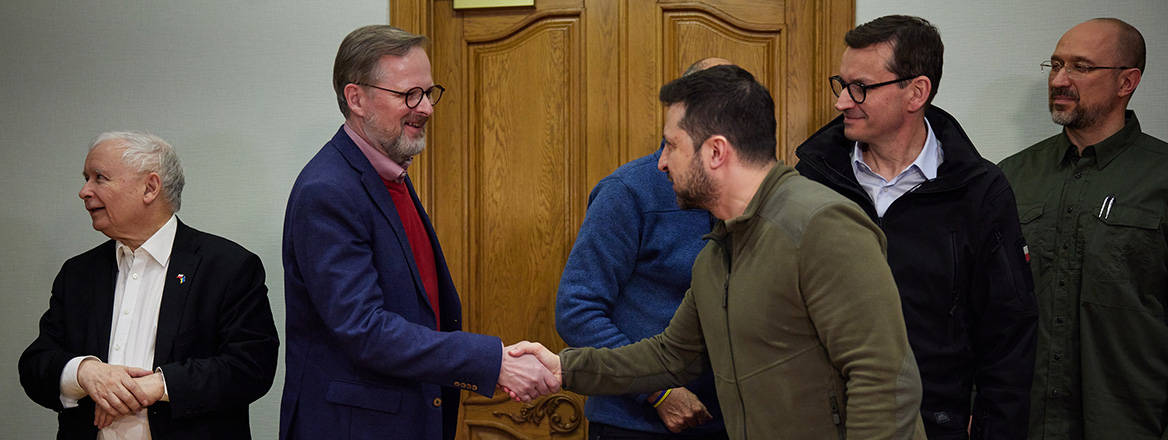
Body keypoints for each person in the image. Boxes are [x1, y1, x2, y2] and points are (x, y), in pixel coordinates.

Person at [514, 65, 926, 440]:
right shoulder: (719, 250)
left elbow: (884, 377)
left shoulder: (822, 224)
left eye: (672, 146)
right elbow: (670, 355)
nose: (660, 163)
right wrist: (563, 367)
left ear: (715, 152)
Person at [279, 25, 557, 440]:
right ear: (356, 98)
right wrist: (493, 361)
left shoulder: (389, 175)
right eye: (409, 95)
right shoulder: (328, 190)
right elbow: (365, 329)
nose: (426, 108)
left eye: (429, 92)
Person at [793, 15, 1037, 439]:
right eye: (842, 84)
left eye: (860, 88)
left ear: (916, 92)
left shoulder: (980, 191)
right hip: (820, 422)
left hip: (932, 425)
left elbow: (1009, 330)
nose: (842, 102)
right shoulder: (811, 179)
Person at [18, 131, 280, 439]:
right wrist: (84, 373)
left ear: (150, 187)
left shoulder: (227, 267)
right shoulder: (77, 274)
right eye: (86, 178)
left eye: (99, 178)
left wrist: (157, 386)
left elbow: (251, 368)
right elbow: (35, 366)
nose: (84, 191)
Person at [998, 18, 1168, 440]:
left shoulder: (1161, 178)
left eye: (1080, 67)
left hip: (1130, 423)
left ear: (1127, 81)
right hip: (1024, 423)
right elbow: (984, 309)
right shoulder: (1011, 178)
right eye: (1055, 65)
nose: (1059, 79)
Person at [555, 57, 730, 440]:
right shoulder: (628, 191)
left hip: (733, 422)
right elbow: (577, 309)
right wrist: (656, 390)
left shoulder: (753, 195)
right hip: (633, 423)